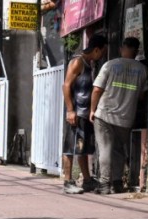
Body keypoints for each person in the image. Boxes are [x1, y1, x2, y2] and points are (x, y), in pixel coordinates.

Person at [90, 37, 147, 194]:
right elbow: (142, 95)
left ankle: (104, 185)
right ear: (136, 51)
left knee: (105, 149)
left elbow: (96, 89)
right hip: (126, 117)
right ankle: (117, 183)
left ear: (122, 48)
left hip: (105, 115)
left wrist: (92, 109)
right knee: (119, 150)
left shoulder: (110, 65)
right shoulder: (142, 70)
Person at [60, 34, 106, 194]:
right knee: (70, 147)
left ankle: (87, 180)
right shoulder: (78, 62)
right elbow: (66, 86)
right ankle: (67, 181)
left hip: (85, 114)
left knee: (82, 148)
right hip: (76, 113)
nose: (102, 55)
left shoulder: (90, 64)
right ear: (96, 50)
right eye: (102, 52)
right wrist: (70, 110)